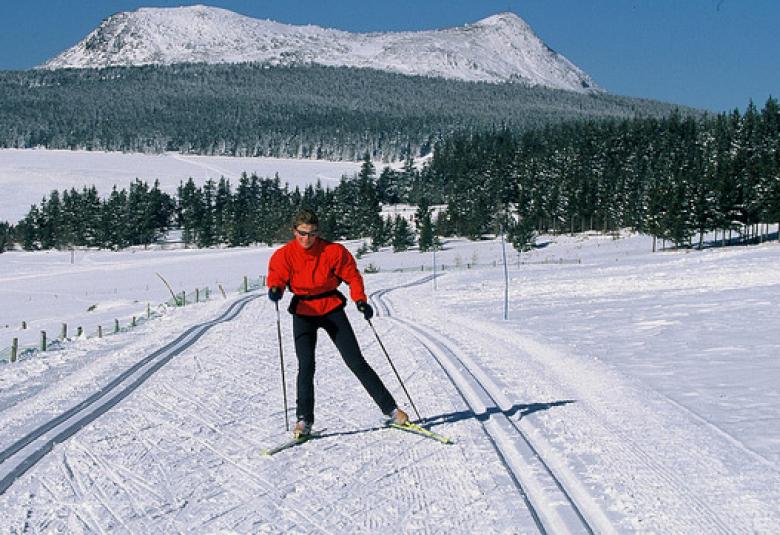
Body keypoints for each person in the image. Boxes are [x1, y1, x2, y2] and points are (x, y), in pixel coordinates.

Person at [267, 209, 409, 438]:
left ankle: (391, 410)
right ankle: (304, 420)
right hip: (304, 311)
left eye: (312, 234)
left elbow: (352, 276)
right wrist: (275, 289)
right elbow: (277, 277)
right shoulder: (284, 255)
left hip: (331, 307)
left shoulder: (333, 251)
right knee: (306, 365)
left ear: (317, 233)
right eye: (302, 233)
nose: (307, 239)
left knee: (355, 360)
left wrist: (360, 300)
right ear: (294, 232)